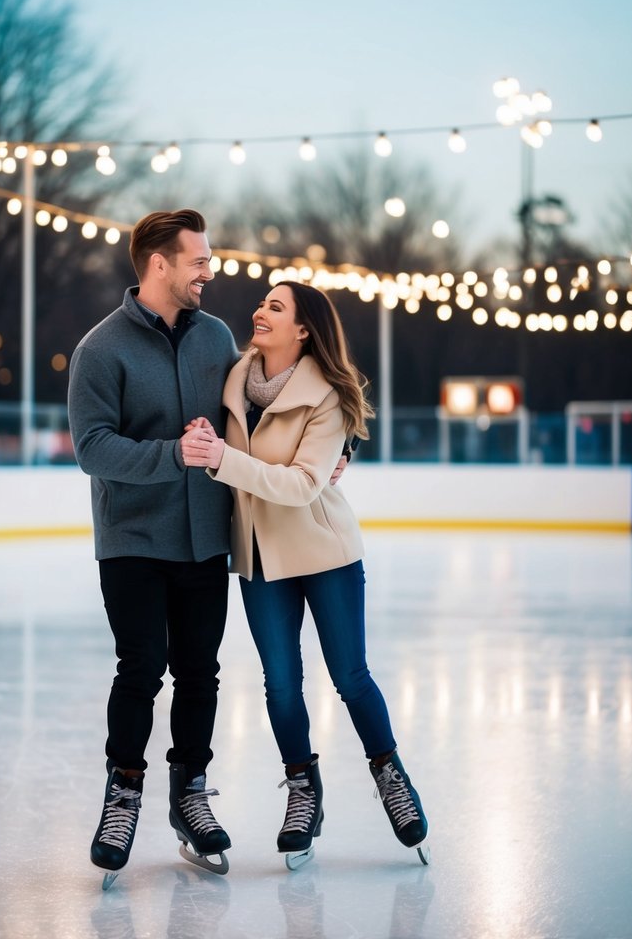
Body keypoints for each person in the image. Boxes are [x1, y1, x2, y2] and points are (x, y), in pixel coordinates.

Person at [180, 280, 429, 869]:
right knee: (281, 685)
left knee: (350, 674)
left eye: (275, 307)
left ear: (304, 330)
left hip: (324, 553)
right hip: (261, 558)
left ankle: (390, 774)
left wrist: (223, 460)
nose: (258, 311)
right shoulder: (234, 378)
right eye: (263, 303)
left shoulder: (329, 395)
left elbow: (301, 484)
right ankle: (303, 790)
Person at [67, 208, 239, 882]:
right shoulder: (100, 350)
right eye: (197, 260)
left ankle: (189, 794)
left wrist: (329, 439)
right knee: (141, 668)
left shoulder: (218, 338)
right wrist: (176, 455)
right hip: (133, 539)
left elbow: (256, 407)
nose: (208, 270)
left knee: (200, 672)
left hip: (204, 539)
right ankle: (123, 793)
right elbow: (92, 447)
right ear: (158, 265)